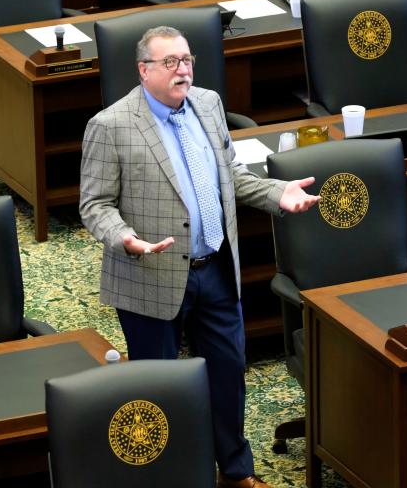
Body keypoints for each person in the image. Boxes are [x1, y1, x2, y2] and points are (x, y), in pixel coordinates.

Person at [80, 26, 319, 488]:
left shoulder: (208, 105)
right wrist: (126, 238)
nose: (182, 69)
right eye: (170, 62)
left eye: (187, 60)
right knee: (160, 390)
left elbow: (229, 175)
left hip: (214, 269)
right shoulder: (110, 125)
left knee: (228, 376)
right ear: (144, 70)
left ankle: (236, 473)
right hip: (150, 273)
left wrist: (276, 192)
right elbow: (95, 205)